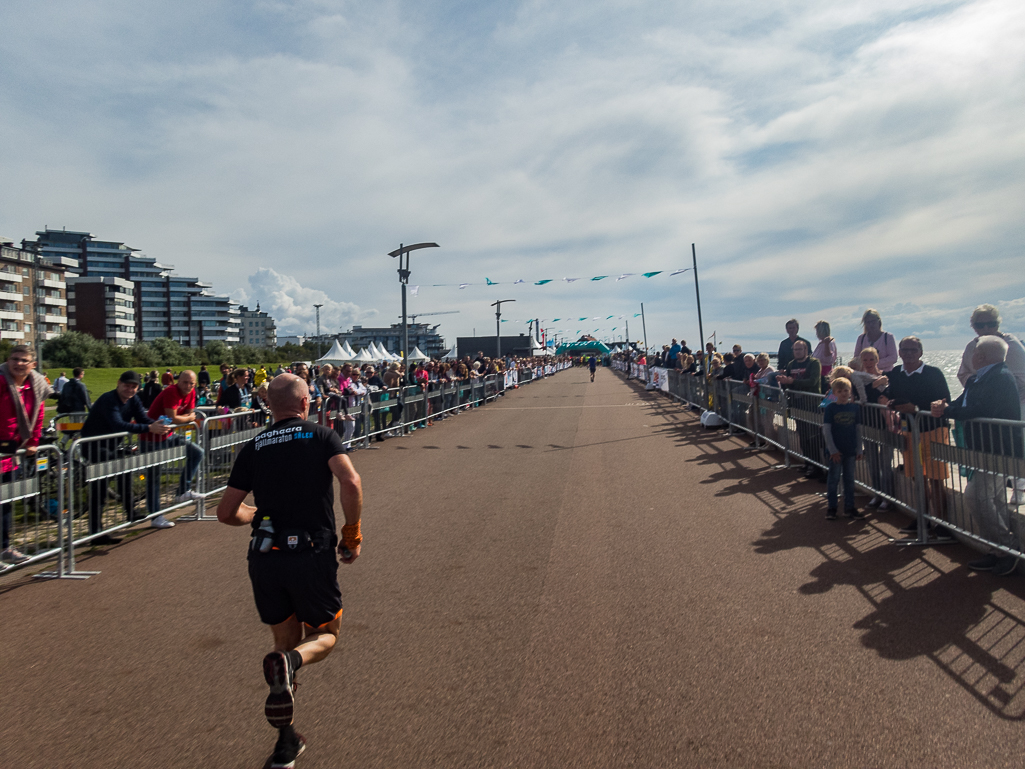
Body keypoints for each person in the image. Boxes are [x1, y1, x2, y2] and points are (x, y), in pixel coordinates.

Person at [216, 373, 363, 768]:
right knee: (324, 636)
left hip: (265, 556)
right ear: (304, 403)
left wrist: (255, 515)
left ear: (270, 406)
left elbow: (226, 513)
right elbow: (350, 480)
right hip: (310, 553)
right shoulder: (320, 436)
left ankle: (285, 744)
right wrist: (352, 533)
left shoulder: (253, 446)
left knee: (283, 642)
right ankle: (293, 664)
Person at [932, 336, 1022, 574]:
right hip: (983, 449)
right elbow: (962, 403)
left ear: (980, 356)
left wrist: (947, 410)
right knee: (997, 500)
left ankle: (1007, 547)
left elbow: (981, 409)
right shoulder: (978, 379)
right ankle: (998, 551)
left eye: (973, 352)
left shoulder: (1001, 378)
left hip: (999, 450)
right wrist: (945, 407)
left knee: (976, 496)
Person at [81, 371, 172, 545]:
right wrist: (148, 428)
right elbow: (118, 424)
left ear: (138, 388)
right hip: (93, 446)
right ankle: (96, 533)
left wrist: (156, 424)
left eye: (133, 386)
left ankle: (131, 512)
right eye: (126, 385)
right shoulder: (109, 400)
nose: (130, 389)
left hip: (110, 446)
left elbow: (142, 418)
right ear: (118, 383)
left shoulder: (134, 400)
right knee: (99, 490)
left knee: (125, 471)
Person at [956, 304, 1025, 505]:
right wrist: (979, 382)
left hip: (1014, 405)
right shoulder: (972, 346)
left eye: (991, 324)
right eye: (980, 325)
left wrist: (995, 384)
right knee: (993, 450)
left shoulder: (1010, 343)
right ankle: (1001, 490)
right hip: (984, 407)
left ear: (998, 324)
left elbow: (1021, 377)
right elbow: (963, 373)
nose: (986, 329)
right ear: (974, 326)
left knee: (1014, 445)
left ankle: (1020, 488)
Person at [885, 336, 952, 538]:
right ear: (899, 352)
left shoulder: (934, 373)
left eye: (913, 350)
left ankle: (941, 524)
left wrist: (915, 408)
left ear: (921, 352)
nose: (908, 354)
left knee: (936, 477)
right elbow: (892, 395)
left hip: (933, 430)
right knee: (917, 476)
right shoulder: (896, 373)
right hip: (909, 431)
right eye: (904, 350)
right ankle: (922, 517)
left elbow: (944, 401)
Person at [0, 345, 51, 565]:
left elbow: (38, 415)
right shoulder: (1, 382)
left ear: (33, 364)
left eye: (24, 360)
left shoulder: (36, 385)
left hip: (13, 450)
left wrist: (33, 441)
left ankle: (4, 548)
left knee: (7, 501)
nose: (18, 363)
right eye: (14, 359)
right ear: (8, 361)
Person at [138, 370, 205, 528]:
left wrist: (187, 418)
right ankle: (155, 516)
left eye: (191, 383)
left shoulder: (191, 393)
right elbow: (176, 417)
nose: (188, 386)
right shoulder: (171, 392)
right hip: (151, 438)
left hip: (168, 435)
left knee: (197, 452)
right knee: (154, 477)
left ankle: (182, 490)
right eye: (184, 382)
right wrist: (188, 418)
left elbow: (189, 414)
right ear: (177, 381)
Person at [776, 340, 824, 478]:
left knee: (813, 436)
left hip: (811, 404)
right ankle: (808, 462)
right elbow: (790, 384)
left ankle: (817, 467)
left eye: (800, 349)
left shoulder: (814, 363)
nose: (797, 352)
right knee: (802, 435)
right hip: (797, 403)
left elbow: (813, 381)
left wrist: (792, 381)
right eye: (795, 349)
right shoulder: (791, 364)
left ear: (806, 350)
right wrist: (784, 381)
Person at [852, 348, 893, 510]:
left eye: (871, 360)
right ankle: (877, 494)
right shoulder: (858, 377)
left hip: (884, 425)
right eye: (865, 360)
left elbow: (889, 396)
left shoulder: (888, 375)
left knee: (885, 463)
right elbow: (863, 396)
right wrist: (876, 384)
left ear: (877, 360)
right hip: (867, 422)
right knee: (872, 463)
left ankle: (888, 498)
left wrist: (878, 384)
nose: (868, 363)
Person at [822, 377, 864, 520]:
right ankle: (832, 507)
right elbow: (827, 430)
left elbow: (858, 430)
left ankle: (849, 507)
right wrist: (832, 450)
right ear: (834, 393)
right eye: (840, 391)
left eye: (846, 390)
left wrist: (859, 449)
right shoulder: (830, 408)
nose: (844, 393)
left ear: (850, 391)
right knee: (833, 479)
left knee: (849, 480)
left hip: (850, 450)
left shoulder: (855, 408)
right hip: (836, 452)